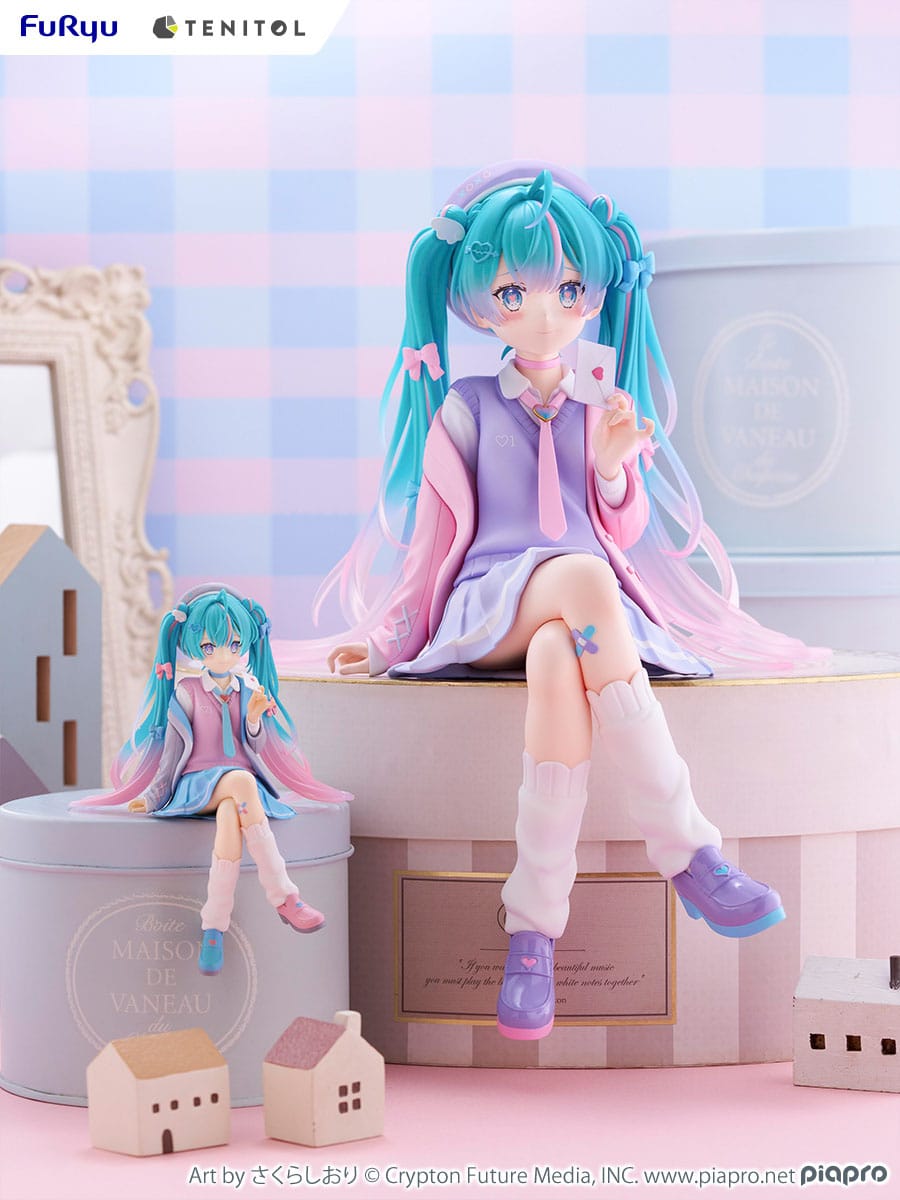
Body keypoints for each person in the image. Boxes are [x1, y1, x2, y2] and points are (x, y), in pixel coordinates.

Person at [301, 162, 821, 1040]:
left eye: (569, 291)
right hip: (489, 604)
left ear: (596, 295)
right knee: (579, 579)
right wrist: (390, 638)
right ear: (479, 306)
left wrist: (614, 466)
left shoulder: (600, 404)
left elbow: (622, 528)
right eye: (515, 294)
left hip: (578, 623)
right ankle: (688, 849)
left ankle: (533, 930)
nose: (545, 314)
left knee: (558, 658)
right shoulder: (466, 408)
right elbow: (434, 541)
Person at [71, 583, 349, 976]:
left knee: (231, 815)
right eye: (209, 646)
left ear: (245, 644)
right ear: (194, 647)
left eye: (234, 645)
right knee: (241, 783)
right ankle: (285, 897)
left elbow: (255, 744)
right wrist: (152, 796)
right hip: (198, 784)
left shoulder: (247, 689)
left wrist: (254, 718)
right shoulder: (186, 693)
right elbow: (171, 752)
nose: (223, 654)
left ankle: (214, 925)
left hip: (239, 791)